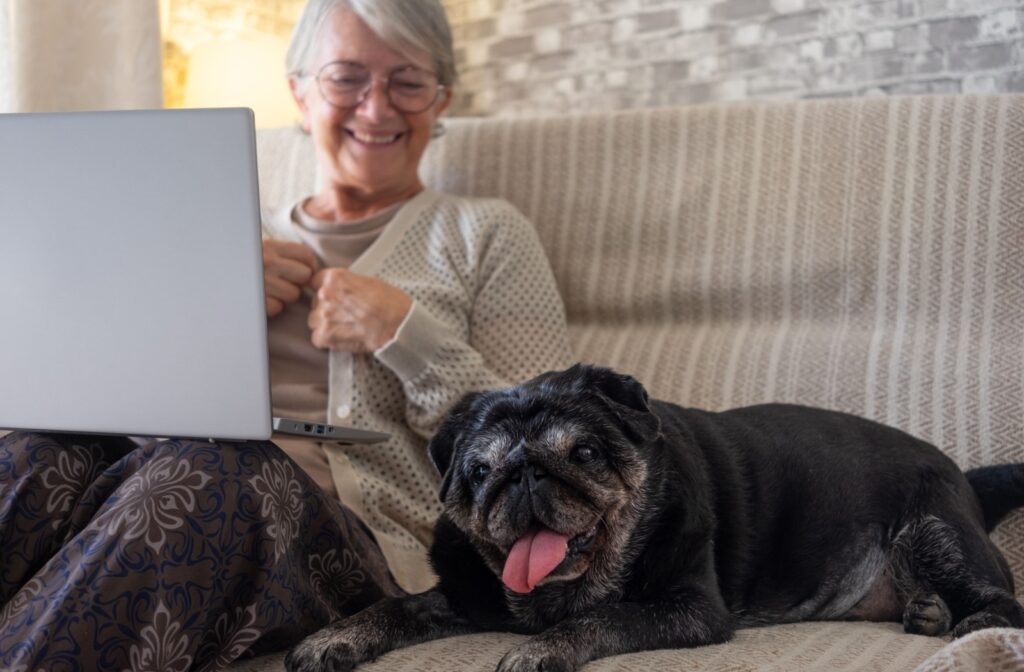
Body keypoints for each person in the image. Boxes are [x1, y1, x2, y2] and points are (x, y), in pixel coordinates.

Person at [0, 0, 572, 669]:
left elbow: (549, 442)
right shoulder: (215, 226)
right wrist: (202, 292)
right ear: (298, 91)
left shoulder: (484, 233)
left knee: (216, 467)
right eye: (346, 77)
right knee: (37, 451)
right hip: (153, 496)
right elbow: (79, 384)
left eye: (408, 81)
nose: (377, 107)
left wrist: (404, 333)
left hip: (353, 549)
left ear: (441, 98)